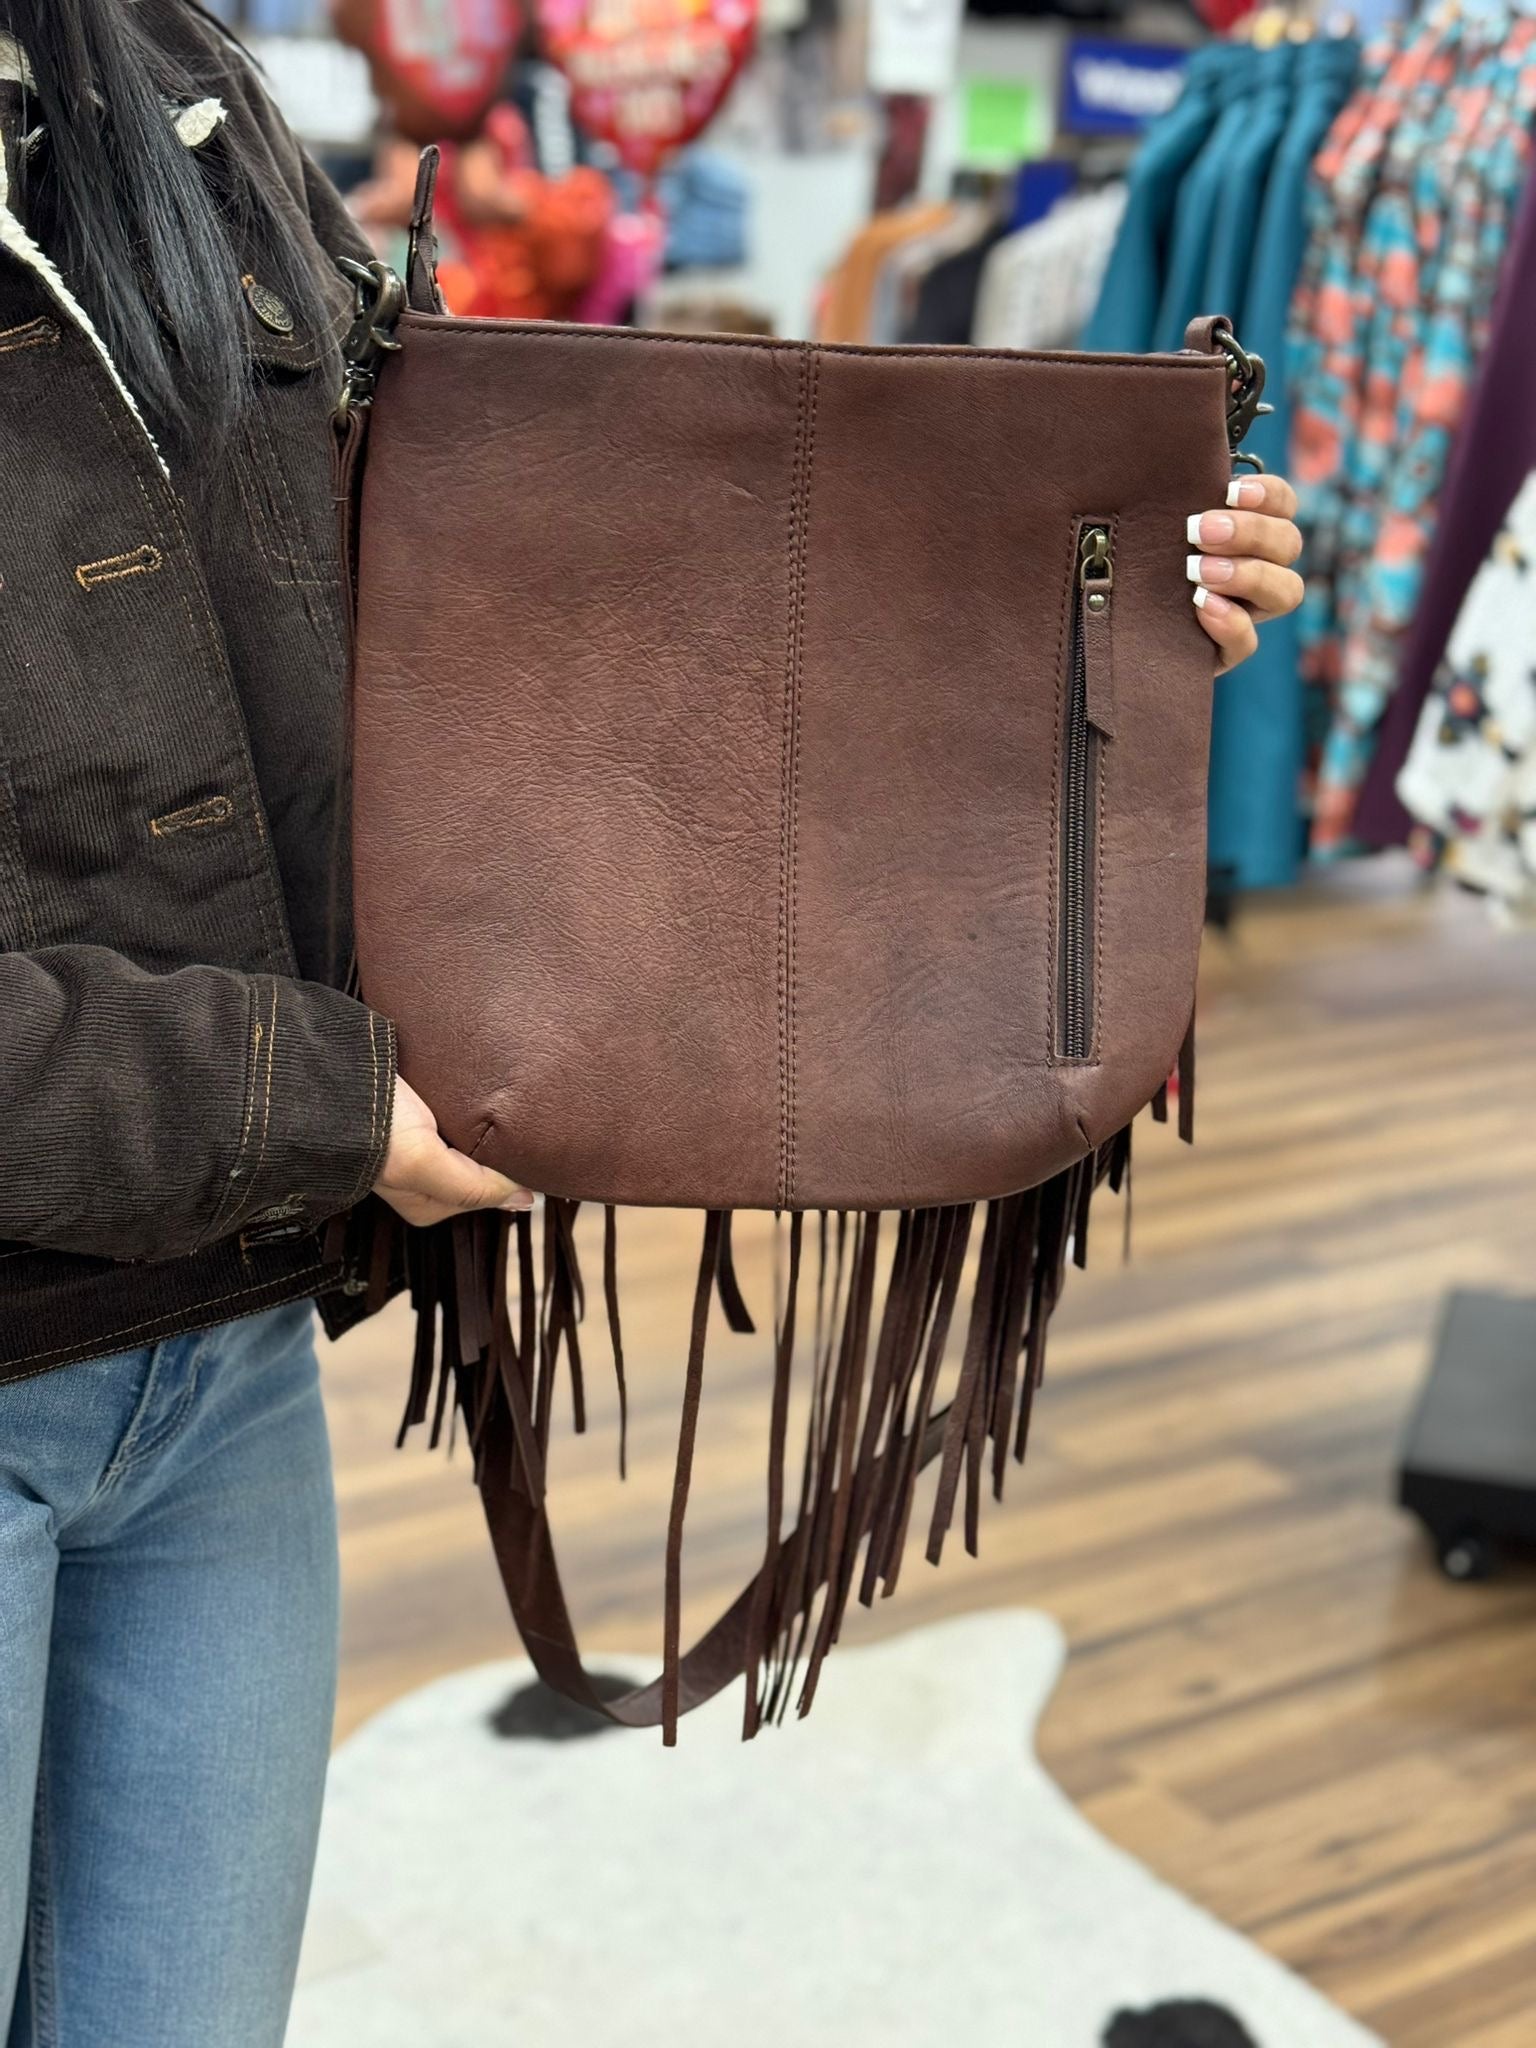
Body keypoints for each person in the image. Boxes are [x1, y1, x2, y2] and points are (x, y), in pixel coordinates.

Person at [0, 4, 1307, 2044]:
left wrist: (1097, 577)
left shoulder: (145, 70)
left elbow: (481, 546)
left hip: (218, 1357)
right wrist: (320, 1094)